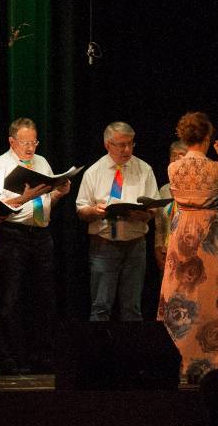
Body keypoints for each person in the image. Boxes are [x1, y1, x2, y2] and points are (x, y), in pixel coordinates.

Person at [0, 118, 70, 372]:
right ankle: (8, 357)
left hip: (41, 234)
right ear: (12, 141)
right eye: (25, 143)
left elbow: (47, 202)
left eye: (34, 142)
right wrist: (25, 197)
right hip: (14, 234)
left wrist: (58, 194)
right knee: (10, 297)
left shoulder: (41, 162)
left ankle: (42, 356)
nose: (31, 147)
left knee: (44, 297)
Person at [158, 111, 218, 381]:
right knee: (212, 293)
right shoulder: (216, 168)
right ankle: (214, 359)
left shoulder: (173, 168)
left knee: (181, 292)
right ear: (206, 137)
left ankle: (180, 357)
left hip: (183, 233)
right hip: (208, 233)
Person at [76, 121, 159, 321]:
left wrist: (145, 214)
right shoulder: (94, 172)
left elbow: (154, 207)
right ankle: (98, 342)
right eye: (121, 145)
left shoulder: (144, 169)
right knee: (101, 306)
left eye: (130, 144)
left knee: (132, 308)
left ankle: (131, 343)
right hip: (104, 244)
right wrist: (93, 211)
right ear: (108, 145)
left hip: (135, 244)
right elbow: (81, 209)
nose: (127, 149)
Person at [155, 141, 188, 271]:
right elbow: (159, 225)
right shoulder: (164, 190)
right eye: (174, 155)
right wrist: (158, 248)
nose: (177, 159)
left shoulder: (197, 191)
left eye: (182, 155)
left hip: (189, 252)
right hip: (167, 252)